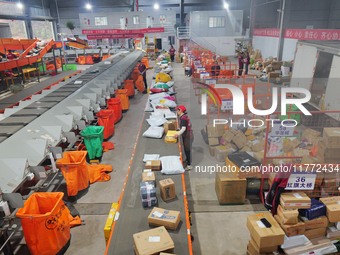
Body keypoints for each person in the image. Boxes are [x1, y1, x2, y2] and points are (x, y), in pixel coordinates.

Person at [174, 105, 194, 170]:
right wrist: (179, 129)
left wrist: (177, 134)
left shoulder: (183, 119)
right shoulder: (184, 116)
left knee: (187, 150)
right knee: (186, 150)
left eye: (177, 110)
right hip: (188, 135)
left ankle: (189, 165)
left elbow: (184, 128)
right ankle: (187, 161)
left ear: (180, 111)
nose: (176, 112)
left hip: (187, 136)